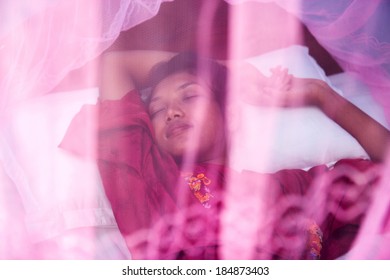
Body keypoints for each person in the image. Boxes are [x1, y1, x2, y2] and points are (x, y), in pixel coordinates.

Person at [60, 50, 389, 260]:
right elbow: (116, 63)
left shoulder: (290, 187)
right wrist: (233, 69)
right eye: (157, 109)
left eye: (190, 97)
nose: (172, 111)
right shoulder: (150, 174)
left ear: (229, 116)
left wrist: (321, 94)